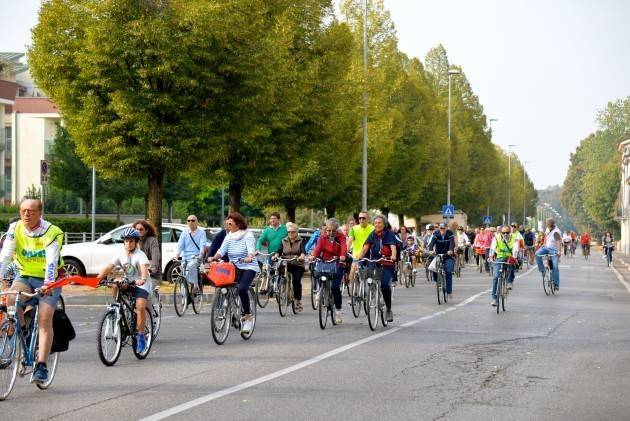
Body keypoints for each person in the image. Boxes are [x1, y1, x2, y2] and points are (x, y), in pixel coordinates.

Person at [0, 199, 64, 384]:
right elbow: (5, 257)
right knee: (11, 298)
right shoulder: (15, 228)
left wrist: (48, 284)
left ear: (40, 213)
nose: (26, 214)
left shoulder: (52, 231)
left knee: (45, 318)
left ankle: (42, 365)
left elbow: (52, 260)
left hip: (49, 278)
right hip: (25, 275)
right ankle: (25, 332)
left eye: (31, 211)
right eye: (23, 211)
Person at [96, 227, 151, 354]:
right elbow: (109, 267)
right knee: (115, 283)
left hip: (141, 284)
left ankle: (141, 336)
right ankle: (116, 307)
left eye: (131, 241)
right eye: (126, 241)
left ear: (136, 242)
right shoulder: (120, 254)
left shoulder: (140, 255)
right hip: (128, 281)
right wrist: (97, 279)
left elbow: (143, 269)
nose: (128, 243)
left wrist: (142, 279)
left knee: (140, 307)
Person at [212, 212, 259, 334]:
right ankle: (230, 309)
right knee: (223, 286)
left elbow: (251, 250)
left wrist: (249, 257)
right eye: (227, 223)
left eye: (230, 223)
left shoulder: (247, 235)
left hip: (248, 266)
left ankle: (248, 317)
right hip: (233, 267)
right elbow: (221, 250)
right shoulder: (229, 236)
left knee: (242, 289)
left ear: (238, 224)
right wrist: (214, 257)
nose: (227, 225)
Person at [358, 215, 397, 322]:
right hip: (374, 262)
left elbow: (393, 246)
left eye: (379, 223)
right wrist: (359, 256)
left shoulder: (389, 234)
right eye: (375, 223)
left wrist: (393, 256)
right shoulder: (372, 234)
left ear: (384, 224)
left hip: (387, 262)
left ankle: (388, 309)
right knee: (368, 278)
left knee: (384, 285)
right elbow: (366, 247)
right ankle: (372, 292)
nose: (377, 225)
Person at [312, 218, 347, 323]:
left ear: (337, 230)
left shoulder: (341, 237)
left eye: (333, 231)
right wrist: (313, 256)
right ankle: (320, 290)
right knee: (318, 273)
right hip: (325, 262)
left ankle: (338, 311)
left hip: (337, 263)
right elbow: (317, 249)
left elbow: (344, 247)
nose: (331, 233)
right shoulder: (322, 238)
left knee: (335, 286)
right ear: (326, 229)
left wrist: (342, 256)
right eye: (328, 230)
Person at [276, 222, 306, 312]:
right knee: (278, 273)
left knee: (296, 281)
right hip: (286, 262)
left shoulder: (301, 241)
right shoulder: (283, 240)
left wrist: (302, 256)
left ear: (297, 232)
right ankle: (281, 288)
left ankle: (297, 301)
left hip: (297, 263)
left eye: (293, 232)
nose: (290, 234)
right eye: (289, 232)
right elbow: (279, 251)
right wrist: (276, 255)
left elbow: (303, 251)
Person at [488, 225, 519, 306]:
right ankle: (494, 299)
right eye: (503, 233)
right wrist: (490, 256)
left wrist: (514, 257)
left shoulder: (514, 237)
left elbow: (516, 249)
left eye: (507, 232)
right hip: (499, 257)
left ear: (510, 232)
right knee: (495, 277)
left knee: (512, 264)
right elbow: (492, 248)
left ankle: (509, 282)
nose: (505, 234)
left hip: (509, 257)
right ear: (501, 233)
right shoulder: (496, 237)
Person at [175, 215, 207, 293]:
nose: (190, 222)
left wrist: (201, 254)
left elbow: (202, 245)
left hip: (196, 256)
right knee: (183, 275)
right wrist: (177, 254)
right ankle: (184, 297)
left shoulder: (202, 232)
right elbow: (180, 245)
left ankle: (196, 285)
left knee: (191, 265)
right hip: (185, 257)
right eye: (188, 220)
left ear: (197, 222)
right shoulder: (184, 233)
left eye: (193, 220)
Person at [428, 222, 456, 299]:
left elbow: (452, 243)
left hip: (448, 255)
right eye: (441, 228)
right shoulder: (436, 233)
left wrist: (450, 250)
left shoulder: (450, 233)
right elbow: (432, 243)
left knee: (448, 271)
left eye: (443, 228)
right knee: (433, 267)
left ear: (446, 228)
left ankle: (449, 292)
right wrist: (430, 250)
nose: (442, 230)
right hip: (438, 255)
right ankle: (436, 281)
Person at [535, 218, 562, 291]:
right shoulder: (547, 229)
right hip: (546, 248)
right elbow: (546, 237)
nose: (547, 225)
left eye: (547, 224)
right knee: (537, 254)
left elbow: (559, 242)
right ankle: (543, 270)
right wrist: (543, 244)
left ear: (551, 224)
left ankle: (556, 284)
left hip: (554, 250)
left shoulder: (556, 232)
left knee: (555, 267)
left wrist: (559, 251)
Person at [349, 211, 374, 283]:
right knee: (352, 269)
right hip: (357, 255)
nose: (361, 220)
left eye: (363, 218)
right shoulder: (354, 229)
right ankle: (351, 286)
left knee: (371, 273)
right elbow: (349, 241)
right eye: (360, 218)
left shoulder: (373, 228)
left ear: (368, 219)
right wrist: (345, 251)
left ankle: (372, 288)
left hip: (369, 255)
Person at [134, 220, 161, 288]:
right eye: (136, 229)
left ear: (146, 230)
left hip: (151, 275)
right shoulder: (132, 241)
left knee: (144, 291)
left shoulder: (152, 240)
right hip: (136, 274)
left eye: (141, 229)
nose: (138, 231)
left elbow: (155, 255)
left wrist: (154, 268)